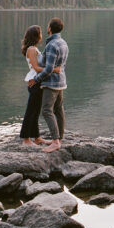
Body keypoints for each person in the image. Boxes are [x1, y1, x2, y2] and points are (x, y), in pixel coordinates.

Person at [19, 25, 61, 146]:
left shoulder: (34, 48)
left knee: (35, 111)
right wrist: (54, 69)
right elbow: (37, 68)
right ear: (36, 36)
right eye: (40, 33)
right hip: (35, 82)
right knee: (31, 111)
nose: (42, 35)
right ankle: (26, 139)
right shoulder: (32, 49)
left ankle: (36, 138)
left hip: (37, 82)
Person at [33, 17, 68, 153]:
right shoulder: (63, 43)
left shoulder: (52, 45)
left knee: (46, 110)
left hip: (51, 83)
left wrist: (36, 79)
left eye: (47, 26)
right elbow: (60, 65)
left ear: (50, 29)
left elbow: (48, 69)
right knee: (59, 109)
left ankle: (55, 141)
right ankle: (60, 138)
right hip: (61, 81)